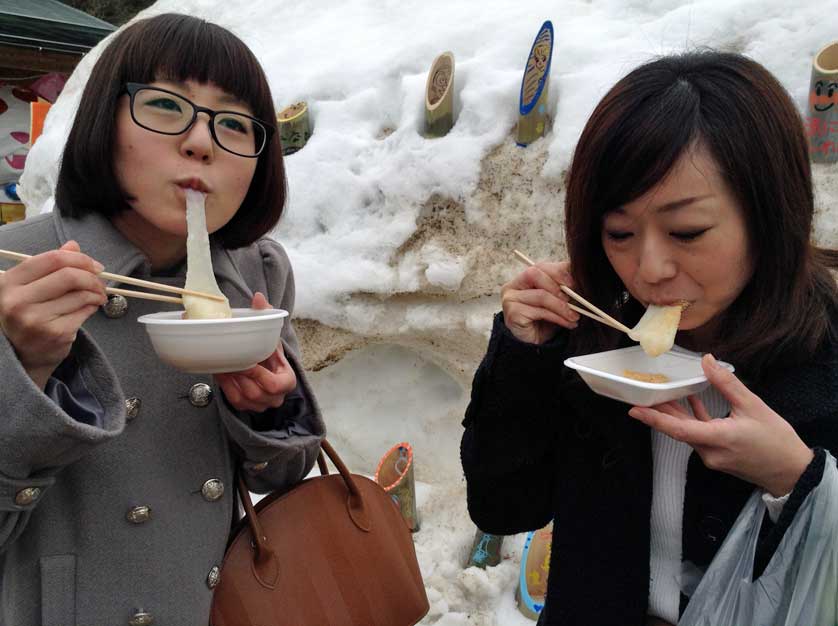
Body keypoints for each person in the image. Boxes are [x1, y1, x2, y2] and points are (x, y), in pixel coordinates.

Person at [461, 50, 838, 626]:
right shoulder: (589, 330)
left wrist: (793, 478)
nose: (649, 268)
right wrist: (524, 357)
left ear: (769, 211)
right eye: (620, 231)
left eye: (686, 231)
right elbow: (502, 503)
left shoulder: (825, 352)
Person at [0, 14, 325, 626]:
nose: (201, 142)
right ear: (104, 119)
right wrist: (26, 367)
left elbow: (280, 474)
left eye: (232, 123)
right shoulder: (18, 272)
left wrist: (268, 408)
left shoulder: (255, 271)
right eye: (166, 107)